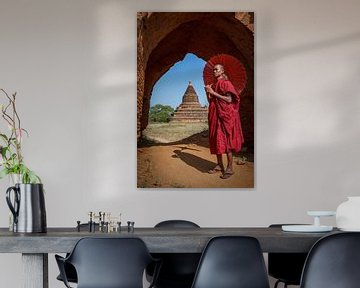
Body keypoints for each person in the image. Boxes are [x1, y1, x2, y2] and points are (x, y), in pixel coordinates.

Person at [205, 64, 244, 179]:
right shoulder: (214, 85)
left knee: (226, 141)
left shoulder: (226, 84)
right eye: (214, 70)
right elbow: (211, 101)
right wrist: (207, 92)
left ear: (222, 71)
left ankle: (230, 168)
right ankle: (219, 165)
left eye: (216, 69)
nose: (214, 71)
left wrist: (213, 93)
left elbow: (229, 99)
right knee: (216, 139)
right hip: (215, 115)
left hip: (224, 116)